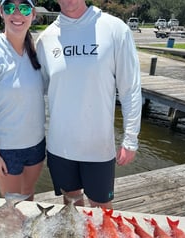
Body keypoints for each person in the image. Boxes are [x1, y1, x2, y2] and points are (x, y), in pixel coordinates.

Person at [36, 0, 142, 208]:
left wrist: (131, 139)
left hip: (98, 148)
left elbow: (130, 89)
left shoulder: (115, 29)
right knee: (71, 205)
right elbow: (35, 93)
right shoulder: (45, 39)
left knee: (102, 211)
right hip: (60, 148)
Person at [0, 0, 45, 200]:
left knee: (29, 198)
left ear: (32, 14)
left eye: (23, 8)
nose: (17, 14)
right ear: (1, 12)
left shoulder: (36, 51)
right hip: (6, 149)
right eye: (9, 8)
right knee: (12, 207)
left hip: (36, 144)